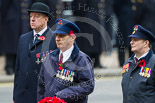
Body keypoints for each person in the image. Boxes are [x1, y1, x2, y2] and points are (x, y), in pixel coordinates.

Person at [37, 18, 94, 103]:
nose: (57, 39)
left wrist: (61, 96)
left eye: (62, 35)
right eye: (56, 35)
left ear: (72, 37)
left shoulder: (81, 59)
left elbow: (87, 86)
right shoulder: (49, 58)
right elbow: (41, 85)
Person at [13, 2, 56, 103]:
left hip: (41, 97)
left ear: (46, 19)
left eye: (37, 16)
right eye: (31, 16)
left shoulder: (54, 39)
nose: (32, 19)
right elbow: (18, 70)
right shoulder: (23, 38)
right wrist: (15, 96)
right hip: (21, 97)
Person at [122, 25, 155, 103]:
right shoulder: (128, 63)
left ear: (146, 43)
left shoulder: (153, 62)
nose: (131, 42)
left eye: (135, 40)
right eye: (131, 39)